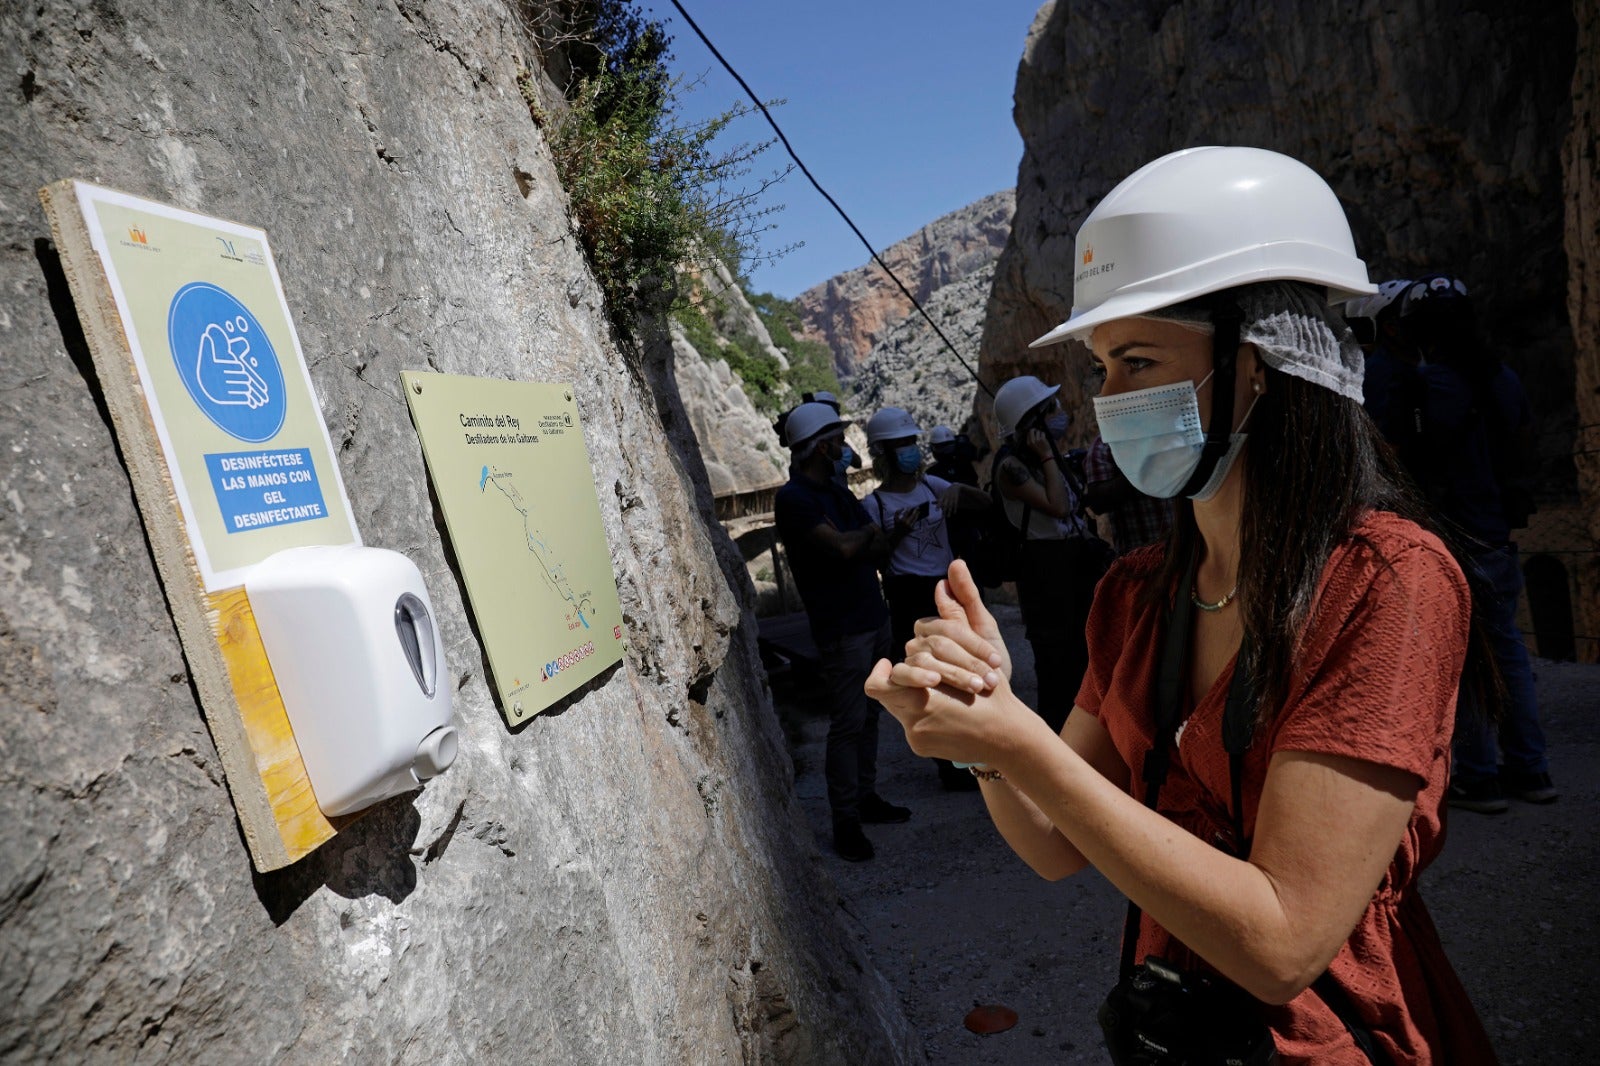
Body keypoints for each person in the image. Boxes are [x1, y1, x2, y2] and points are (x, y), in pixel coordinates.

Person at [867, 147, 1498, 1062]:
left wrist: (1017, 741)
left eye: (1136, 360)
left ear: (1259, 366)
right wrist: (985, 736)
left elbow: (1284, 941)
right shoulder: (1135, 594)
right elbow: (1051, 842)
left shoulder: (1389, 582)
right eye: (1100, 369)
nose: (1107, 401)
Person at [1396, 273, 1556, 814]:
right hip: (1497, 532)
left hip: (1454, 532)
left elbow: (1419, 457)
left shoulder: (1431, 385)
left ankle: (1480, 776)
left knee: (1461, 656)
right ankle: (1530, 768)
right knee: (1509, 649)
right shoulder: (1504, 379)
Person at [773, 402, 910, 861]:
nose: (843, 446)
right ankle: (845, 821)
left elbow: (868, 543)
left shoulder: (835, 494)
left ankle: (865, 798)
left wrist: (865, 538)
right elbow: (847, 548)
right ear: (820, 446)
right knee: (849, 723)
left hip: (871, 619)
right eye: (836, 438)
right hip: (843, 629)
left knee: (870, 716)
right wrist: (862, 537)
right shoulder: (795, 500)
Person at [863, 407, 990, 790]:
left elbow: (985, 505)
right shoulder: (874, 505)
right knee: (927, 679)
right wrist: (898, 534)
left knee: (964, 669)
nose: (909, 451)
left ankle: (973, 753)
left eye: (910, 443)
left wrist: (959, 490)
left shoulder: (932, 486)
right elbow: (876, 558)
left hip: (944, 589)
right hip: (907, 594)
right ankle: (946, 764)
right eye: (899, 445)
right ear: (883, 453)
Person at [991, 374, 1108, 734]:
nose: (1060, 412)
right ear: (1033, 421)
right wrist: (1045, 456)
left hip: (1071, 563)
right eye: (1050, 409)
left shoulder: (1048, 458)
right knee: (1057, 665)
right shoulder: (1011, 466)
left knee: (1083, 656)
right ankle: (1057, 743)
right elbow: (1057, 506)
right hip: (1045, 571)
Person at [1083, 433, 1174, 554]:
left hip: (1184, 547)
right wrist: (1143, 465)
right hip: (1141, 555)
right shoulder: (1104, 446)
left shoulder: (1168, 431)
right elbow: (1098, 502)